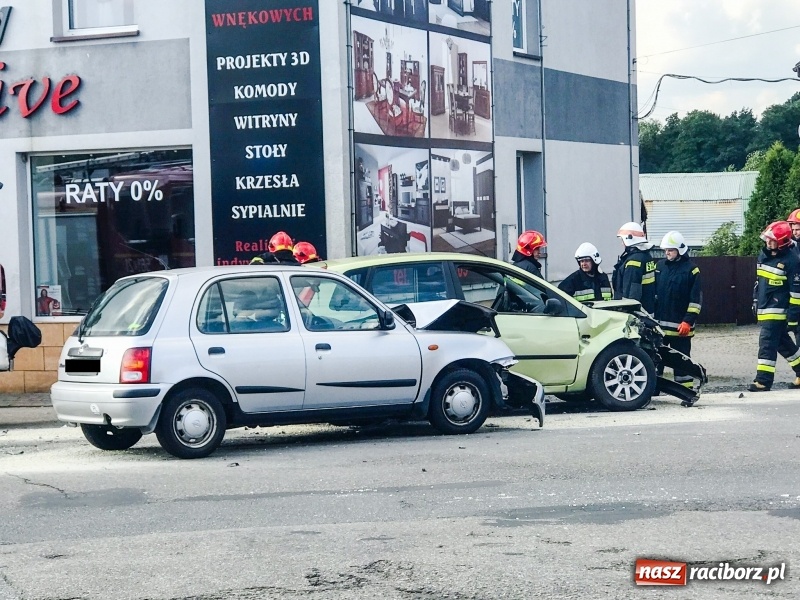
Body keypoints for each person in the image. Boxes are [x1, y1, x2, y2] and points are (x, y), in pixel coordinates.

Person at [748, 220, 800, 392]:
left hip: (777, 311)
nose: (768, 242)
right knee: (784, 345)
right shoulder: (764, 256)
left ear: (782, 242)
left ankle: (763, 381)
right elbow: (759, 283)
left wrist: (793, 318)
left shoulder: (792, 261)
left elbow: (796, 294)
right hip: (765, 308)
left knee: (767, 344)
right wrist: (756, 301)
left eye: (772, 240)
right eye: (768, 239)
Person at [654, 231, 702, 392]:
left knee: (682, 361)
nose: (667, 253)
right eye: (665, 250)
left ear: (680, 250)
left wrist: (688, 321)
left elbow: (695, 300)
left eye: (670, 250)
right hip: (660, 327)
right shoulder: (660, 267)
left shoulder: (692, 270)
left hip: (681, 328)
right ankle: (653, 390)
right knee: (656, 360)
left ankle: (686, 391)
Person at [612, 221, 656, 314]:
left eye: (622, 241)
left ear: (629, 239)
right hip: (648, 309)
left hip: (636, 313)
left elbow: (631, 294)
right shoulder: (646, 256)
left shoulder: (634, 262)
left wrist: (627, 312)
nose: (622, 244)